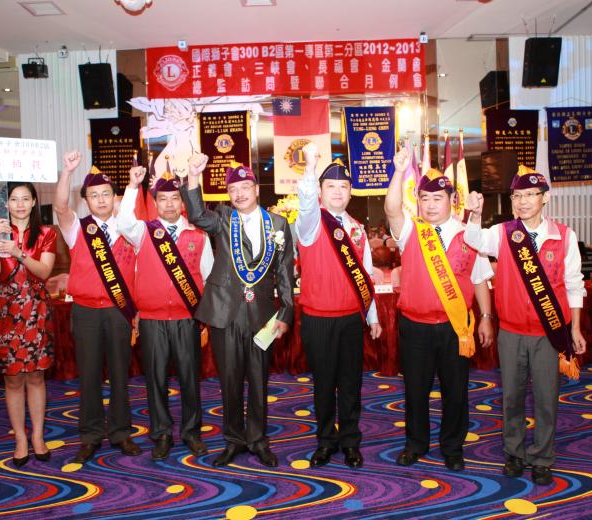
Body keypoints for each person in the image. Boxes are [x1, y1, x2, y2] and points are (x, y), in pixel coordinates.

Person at [465, 165, 587, 486]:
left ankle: (543, 457)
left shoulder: (564, 236)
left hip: (549, 333)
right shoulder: (502, 233)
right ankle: (514, 452)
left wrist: (575, 328)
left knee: (547, 398)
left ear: (545, 198)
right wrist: (475, 214)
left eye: (530, 195)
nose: (522, 202)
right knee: (512, 397)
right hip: (512, 333)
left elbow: (574, 284)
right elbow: (473, 239)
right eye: (517, 196)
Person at [180, 155, 294, 468]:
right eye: (233, 189)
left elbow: (285, 273)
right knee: (229, 381)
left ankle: (257, 439)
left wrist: (285, 314)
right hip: (224, 312)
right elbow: (196, 214)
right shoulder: (223, 218)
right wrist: (193, 177)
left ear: (257, 189)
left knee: (259, 381)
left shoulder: (278, 224)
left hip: (263, 315)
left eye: (245, 187)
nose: (239, 193)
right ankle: (233, 440)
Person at [384, 149, 494, 471]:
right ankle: (415, 444)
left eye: (437, 198)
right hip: (415, 326)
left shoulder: (469, 234)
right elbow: (391, 209)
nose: (430, 205)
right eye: (424, 198)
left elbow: (479, 280)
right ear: (418, 201)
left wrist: (486, 318)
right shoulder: (411, 230)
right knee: (415, 391)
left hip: (455, 327)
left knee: (455, 391)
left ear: (452, 200)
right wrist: (398, 171)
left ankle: (453, 447)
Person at [116, 165, 213, 460]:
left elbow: (208, 277)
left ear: (182, 202)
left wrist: (205, 320)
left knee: (189, 379)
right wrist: (132, 187)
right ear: (155, 203)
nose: (169, 204)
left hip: (187, 319)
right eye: (163, 199)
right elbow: (123, 221)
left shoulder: (198, 235)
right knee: (155, 380)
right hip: (152, 320)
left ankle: (191, 432)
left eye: (174, 198)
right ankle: (161, 434)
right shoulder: (143, 232)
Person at [295, 146, 382, 469]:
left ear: (350, 192)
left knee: (350, 384)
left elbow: (366, 276)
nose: (337, 192)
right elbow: (306, 202)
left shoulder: (357, 228)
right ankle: (325, 441)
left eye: (343, 186)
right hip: (317, 319)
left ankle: (350, 441)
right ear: (320, 190)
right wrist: (310, 167)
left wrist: (372, 316)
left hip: (351, 319)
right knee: (323, 384)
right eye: (330, 186)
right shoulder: (311, 222)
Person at [53, 150, 142, 464]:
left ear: (114, 197)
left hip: (119, 312)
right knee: (89, 376)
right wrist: (67, 171)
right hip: (86, 312)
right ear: (86, 201)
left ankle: (120, 432)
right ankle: (90, 436)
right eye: (94, 195)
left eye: (106, 194)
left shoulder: (129, 228)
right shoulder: (77, 229)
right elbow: (60, 207)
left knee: (120, 374)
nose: (101, 200)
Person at [0, 182, 56, 467]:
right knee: (12, 379)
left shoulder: (46, 233)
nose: (20, 204)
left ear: (35, 201)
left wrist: (18, 252)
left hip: (36, 310)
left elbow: (44, 272)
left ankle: (38, 435)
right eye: (14, 199)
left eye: (26, 198)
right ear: (6, 203)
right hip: (5, 312)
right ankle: (20, 438)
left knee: (36, 376)